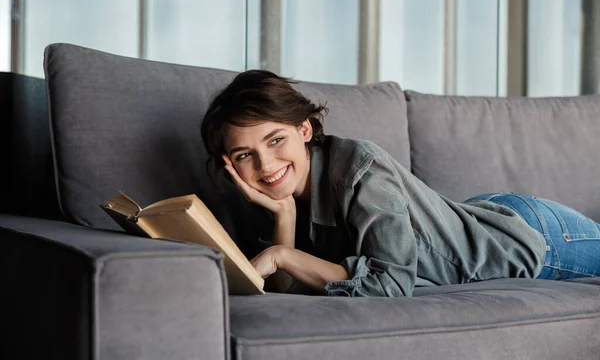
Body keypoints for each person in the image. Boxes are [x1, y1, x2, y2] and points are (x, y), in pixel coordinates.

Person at [200, 70, 600, 297]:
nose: (266, 164)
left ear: (304, 129)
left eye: (275, 140)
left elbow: (389, 283)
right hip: (470, 217)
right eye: (243, 155)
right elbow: (285, 297)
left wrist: (281, 256)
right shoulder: (268, 199)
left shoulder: (360, 168)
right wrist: (284, 218)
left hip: (530, 236)